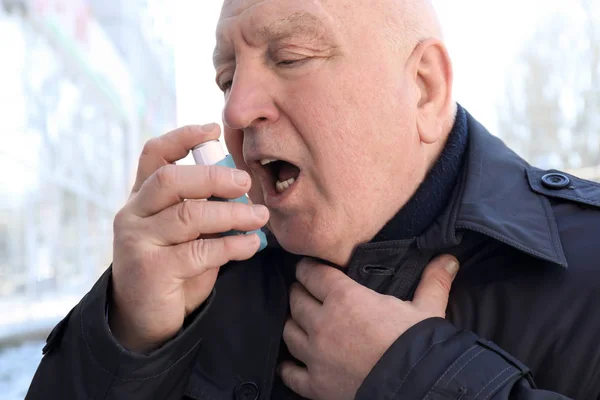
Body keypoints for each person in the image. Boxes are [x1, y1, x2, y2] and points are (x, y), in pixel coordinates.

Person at [26, 0, 600, 399]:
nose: (235, 109)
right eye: (227, 78)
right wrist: (128, 335)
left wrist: (415, 381)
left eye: (290, 56)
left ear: (424, 88)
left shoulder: (588, 268)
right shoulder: (197, 283)